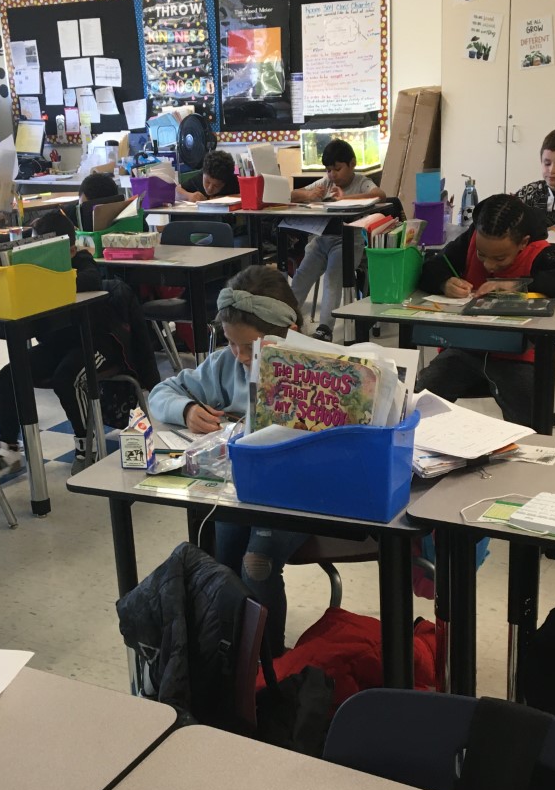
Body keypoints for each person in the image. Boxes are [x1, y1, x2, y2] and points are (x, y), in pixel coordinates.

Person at [148, 265, 306, 655]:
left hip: (300, 494)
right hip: (243, 489)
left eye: (250, 348)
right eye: (232, 343)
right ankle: (230, 652)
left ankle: (269, 662)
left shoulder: (316, 368)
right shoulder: (226, 364)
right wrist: (185, 409)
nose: (240, 356)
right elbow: (162, 390)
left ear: (291, 331)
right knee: (216, 548)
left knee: (257, 561)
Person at [0, 209, 158, 475]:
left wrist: (50, 280)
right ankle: (10, 447)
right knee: (9, 374)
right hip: (59, 344)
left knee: (66, 378)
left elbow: (91, 279)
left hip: (99, 344)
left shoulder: (82, 261)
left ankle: (86, 443)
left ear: (70, 250)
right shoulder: (33, 272)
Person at [414, 194, 555, 427]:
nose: (489, 264)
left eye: (500, 258)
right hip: (465, 350)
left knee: (530, 420)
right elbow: (432, 267)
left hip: (516, 355)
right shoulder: (472, 239)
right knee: (420, 400)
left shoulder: (539, 252)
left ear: (522, 243)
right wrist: (444, 281)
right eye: (482, 255)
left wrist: (518, 285)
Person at [288, 139, 386, 342]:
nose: (333, 175)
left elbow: (380, 195)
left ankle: (325, 329)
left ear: (352, 163)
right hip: (321, 241)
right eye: (328, 170)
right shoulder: (326, 183)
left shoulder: (361, 181)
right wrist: (308, 194)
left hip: (348, 243)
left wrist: (345, 199)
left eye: (338, 169)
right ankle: (284, 320)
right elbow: (291, 194)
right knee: (300, 278)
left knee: (332, 280)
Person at [176, 150, 240, 202]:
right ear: (203, 173)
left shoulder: (232, 180)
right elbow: (176, 191)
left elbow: (248, 195)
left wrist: (224, 198)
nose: (209, 188)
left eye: (216, 185)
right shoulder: (200, 178)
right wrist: (189, 196)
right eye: (207, 182)